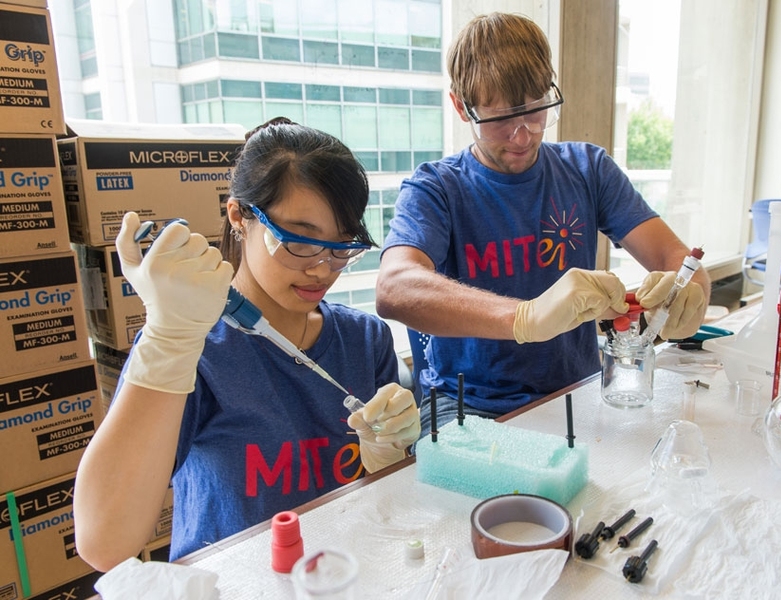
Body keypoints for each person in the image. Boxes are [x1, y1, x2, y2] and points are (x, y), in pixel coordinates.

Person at [74, 118, 420, 571]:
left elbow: (386, 503)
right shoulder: (190, 348)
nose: (321, 269)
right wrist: (169, 337)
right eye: (300, 241)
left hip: (341, 576)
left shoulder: (364, 339)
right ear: (239, 216)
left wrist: (391, 455)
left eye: (341, 247)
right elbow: (103, 542)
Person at [375, 13, 710, 434]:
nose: (523, 136)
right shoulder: (436, 188)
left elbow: (676, 257)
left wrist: (689, 294)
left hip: (577, 394)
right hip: (471, 408)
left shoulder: (588, 170)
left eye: (536, 111)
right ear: (461, 106)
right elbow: (394, 288)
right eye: (500, 120)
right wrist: (526, 317)